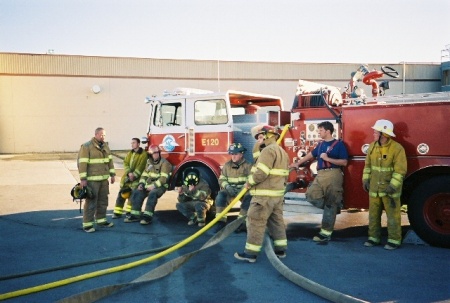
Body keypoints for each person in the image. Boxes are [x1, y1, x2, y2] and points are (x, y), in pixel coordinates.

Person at [234, 125, 289, 263]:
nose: (258, 140)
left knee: (255, 221)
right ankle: (280, 250)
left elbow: (260, 173)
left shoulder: (268, 151)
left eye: (260, 136)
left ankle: (250, 254)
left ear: (267, 135)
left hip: (263, 196)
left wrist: (249, 183)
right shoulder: (282, 151)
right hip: (277, 196)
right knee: (276, 222)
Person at [289, 121, 348, 242]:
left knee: (331, 202)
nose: (318, 132)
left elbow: (344, 162)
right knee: (311, 195)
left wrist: (327, 159)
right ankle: (331, 209)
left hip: (333, 174)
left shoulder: (339, 145)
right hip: (320, 175)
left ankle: (325, 234)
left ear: (327, 131)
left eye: (320, 130)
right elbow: (310, 155)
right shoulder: (320, 144)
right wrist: (297, 163)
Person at [362, 119, 407, 250]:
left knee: (393, 216)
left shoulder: (397, 148)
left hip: (390, 190)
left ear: (384, 134)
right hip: (374, 188)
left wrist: (393, 186)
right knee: (373, 215)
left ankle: (394, 240)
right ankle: (373, 238)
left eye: (376, 132)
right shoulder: (372, 146)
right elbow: (368, 166)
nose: (373, 134)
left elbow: (400, 170)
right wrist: (365, 180)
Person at [77, 127, 116, 233]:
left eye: (104, 135)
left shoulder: (106, 146)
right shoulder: (86, 146)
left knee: (103, 201)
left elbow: (110, 161)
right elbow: (82, 163)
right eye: (102, 135)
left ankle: (101, 220)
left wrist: (112, 174)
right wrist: (83, 179)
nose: (103, 137)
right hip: (92, 180)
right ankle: (87, 225)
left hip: (104, 180)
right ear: (96, 134)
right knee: (91, 202)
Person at [125, 144, 172, 225]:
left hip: (160, 186)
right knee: (137, 192)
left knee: (152, 194)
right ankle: (135, 215)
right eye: (154, 153)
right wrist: (141, 184)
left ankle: (147, 217)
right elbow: (144, 175)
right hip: (148, 186)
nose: (156, 154)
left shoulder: (165, 163)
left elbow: (163, 179)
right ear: (150, 154)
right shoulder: (149, 162)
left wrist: (153, 186)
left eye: (157, 152)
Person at [213, 143, 253, 234]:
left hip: (243, 191)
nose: (233, 156)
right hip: (230, 190)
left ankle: (241, 223)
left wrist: (243, 189)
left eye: (235, 154)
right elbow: (222, 179)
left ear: (241, 154)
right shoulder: (227, 166)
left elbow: (252, 178)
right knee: (221, 196)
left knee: (249, 198)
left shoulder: (248, 166)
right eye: (232, 154)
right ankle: (221, 222)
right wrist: (227, 186)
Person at [112, 138, 148, 219]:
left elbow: (141, 166)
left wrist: (134, 175)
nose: (132, 144)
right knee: (121, 195)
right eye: (131, 143)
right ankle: (117, 212)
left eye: (134, 143)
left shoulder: (143, 154)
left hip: (136, 179)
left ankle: (129, 212)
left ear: (138, 144)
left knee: (132, 197)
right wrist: (129, 173)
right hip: (127, 179)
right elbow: (125, 163)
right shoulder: (129, 153)